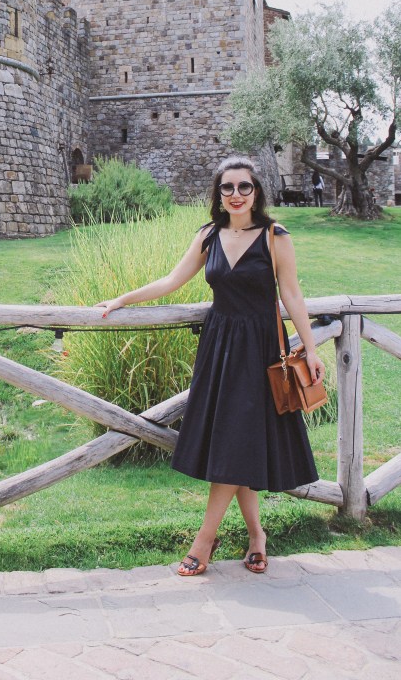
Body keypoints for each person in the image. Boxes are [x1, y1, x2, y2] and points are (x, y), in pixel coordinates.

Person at [97, 155, 325, 577]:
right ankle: (257, 537)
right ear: (217, 194)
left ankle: (204, 541)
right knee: (236, 445)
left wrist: (309, 348)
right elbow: (170, 281)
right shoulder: (208, 236)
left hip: (261, 352)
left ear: (256, 192)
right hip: (220, 351)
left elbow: (291, 296)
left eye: (244, 187)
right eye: (227, 188)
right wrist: (121, 300)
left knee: (237, 443)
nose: (236, 195)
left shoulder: (275, 236)